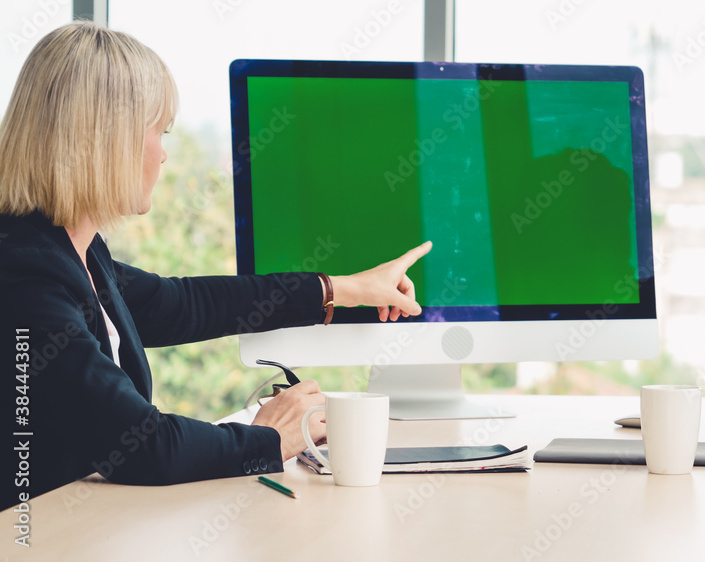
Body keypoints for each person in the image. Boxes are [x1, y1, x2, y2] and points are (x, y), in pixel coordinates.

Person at [0, 21, 432, 509]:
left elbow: (183, 304)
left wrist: (342, 288)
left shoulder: (76, 251)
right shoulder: (25, 276)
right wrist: (270, 437)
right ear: (105, 140)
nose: (163, 155)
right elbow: (142, 446)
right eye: (158, 132)